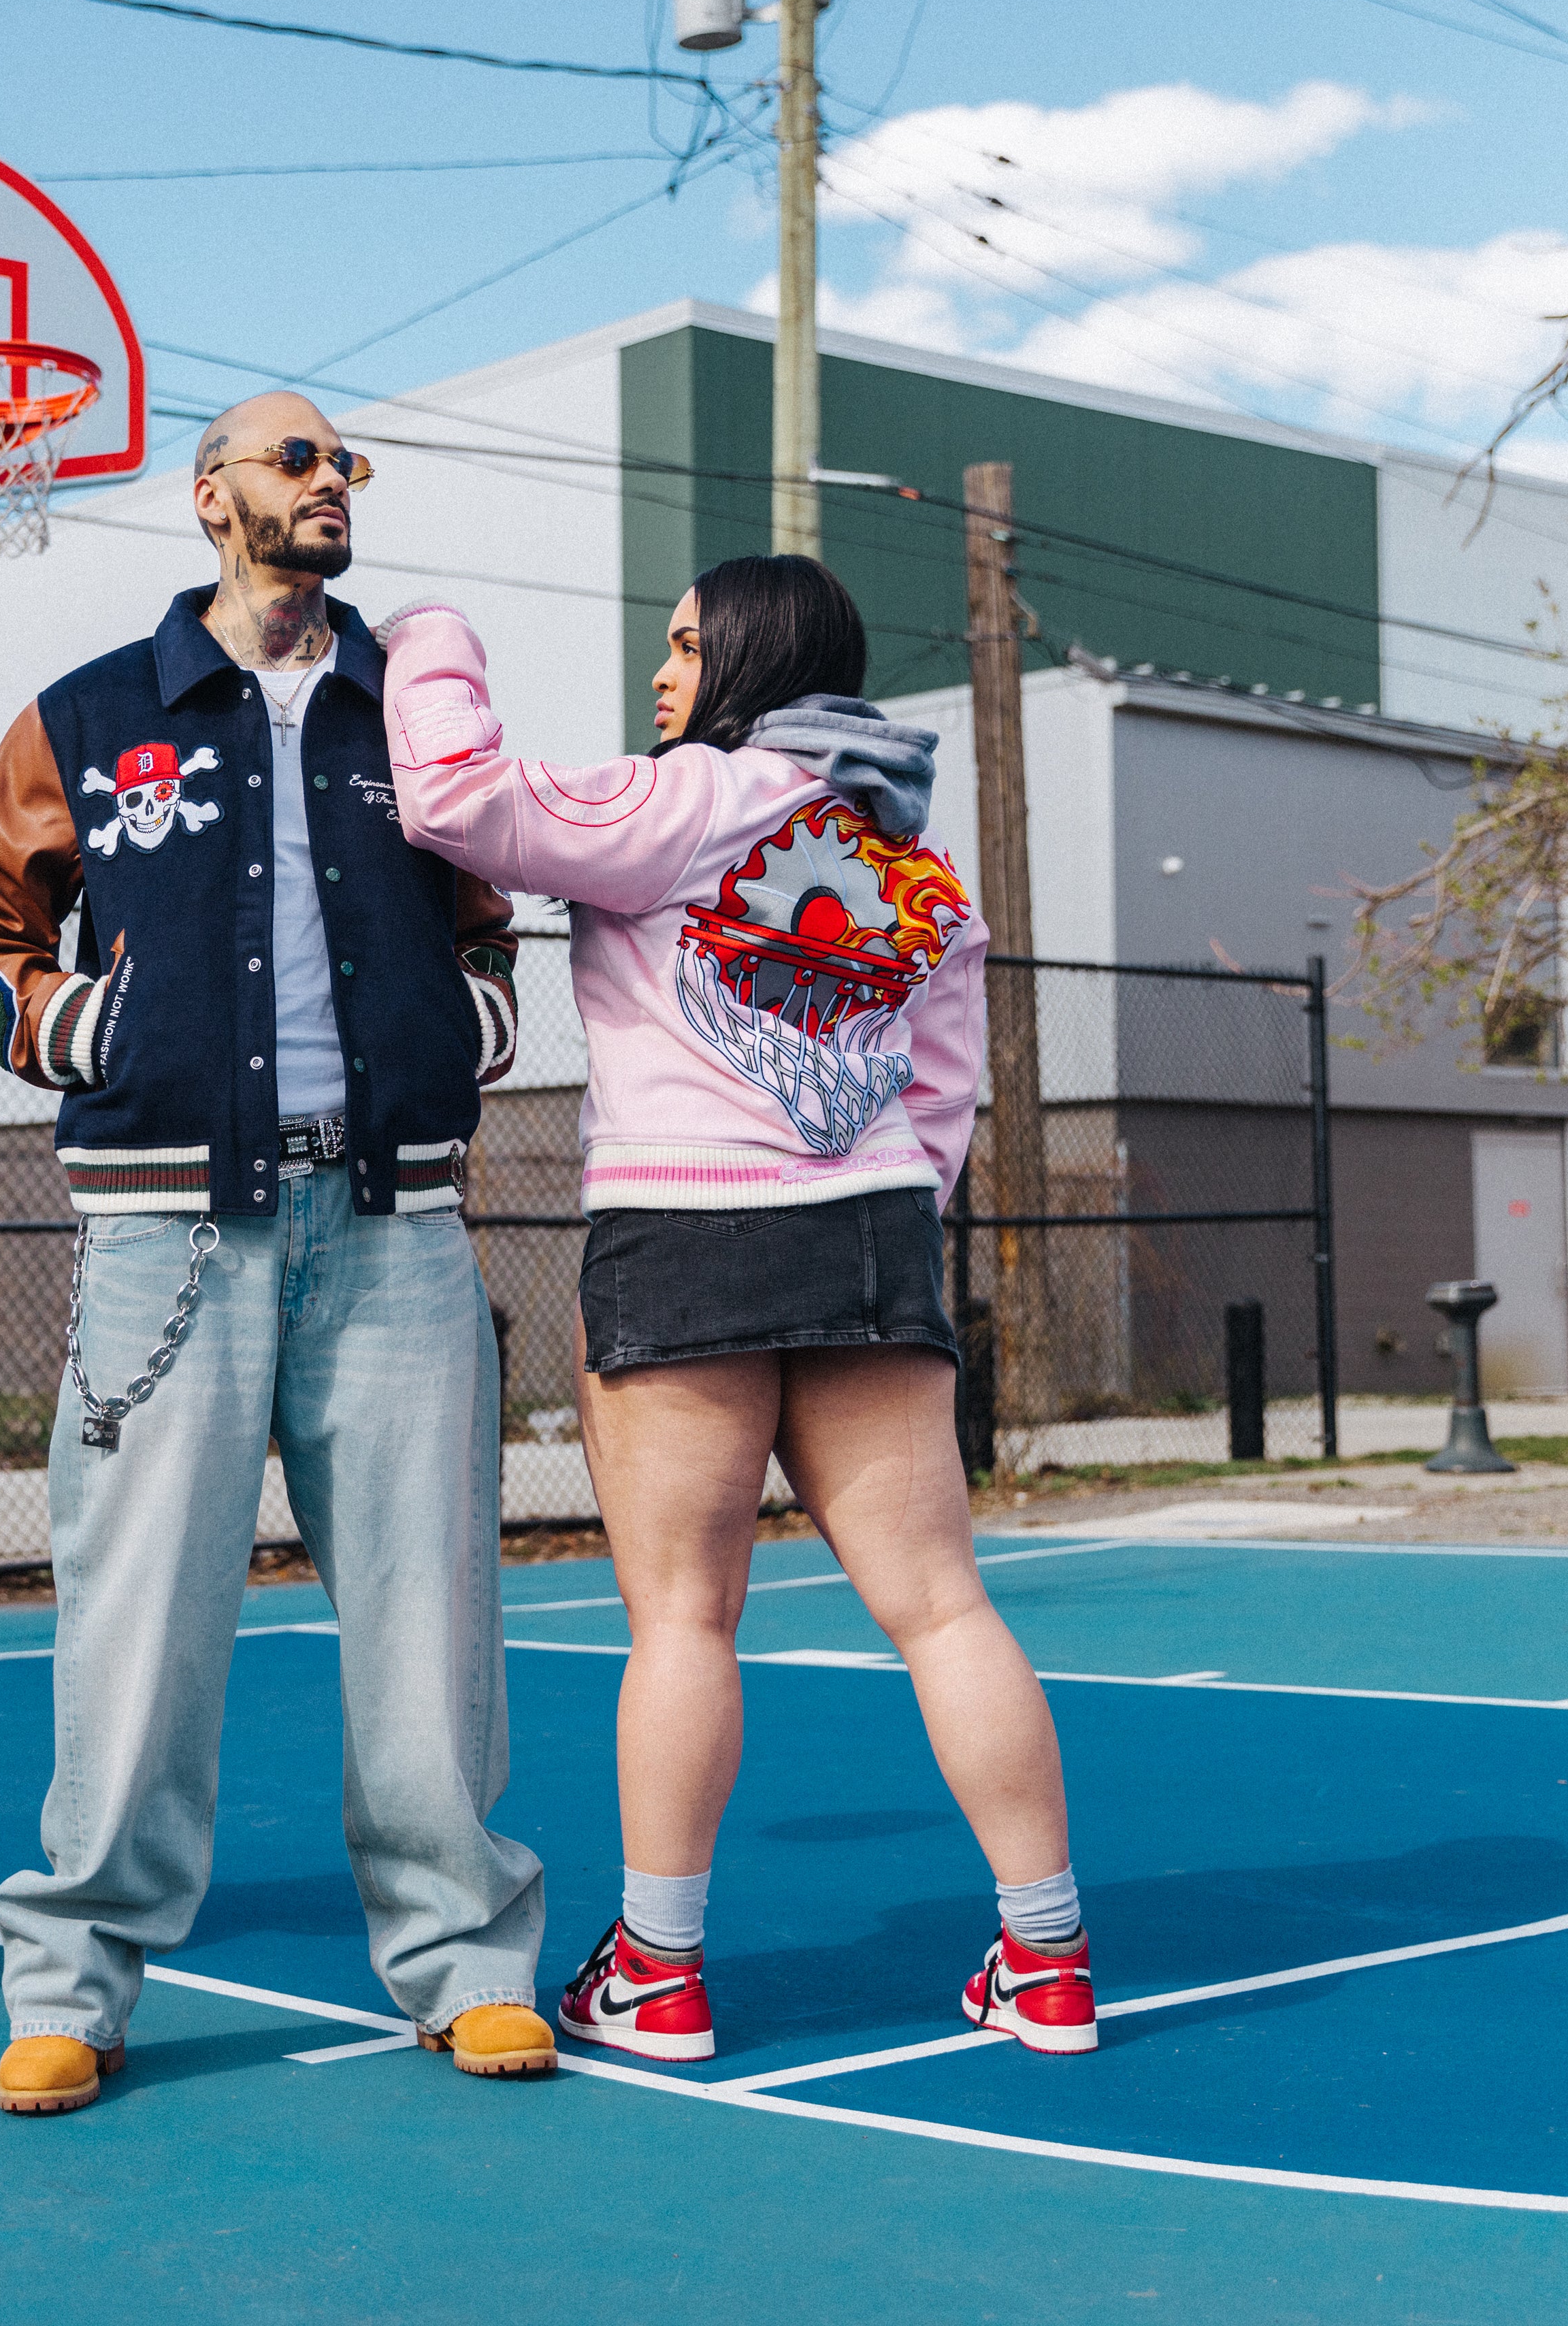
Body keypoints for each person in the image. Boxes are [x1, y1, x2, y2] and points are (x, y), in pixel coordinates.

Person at [374, 554, 1093, 2063]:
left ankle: (659, 1972)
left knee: (683, 1619)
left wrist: (426, 630)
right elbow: (947, 1081)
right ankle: (1046, 1960)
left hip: (683, 1228)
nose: (661, 672)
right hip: (872, 1235)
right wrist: (882, 1197)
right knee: (943, 1606)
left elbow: (453, 799)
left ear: (751, 661)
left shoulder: (681, 800)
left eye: (686, 642)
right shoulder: (908, 856)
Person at [0, 389, 549, 2114]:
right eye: (298, 459)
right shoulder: (90, 713)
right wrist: (74, 1032)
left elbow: (486, 913)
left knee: (430, 1620)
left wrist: (466, 1025)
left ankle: (465, 1962)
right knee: (135, 1631)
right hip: (163, 1238)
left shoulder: (414, 715)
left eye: (347, 462)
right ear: (212, 498)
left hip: (394, 1230)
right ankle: (69, 1981)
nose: (331, 480)